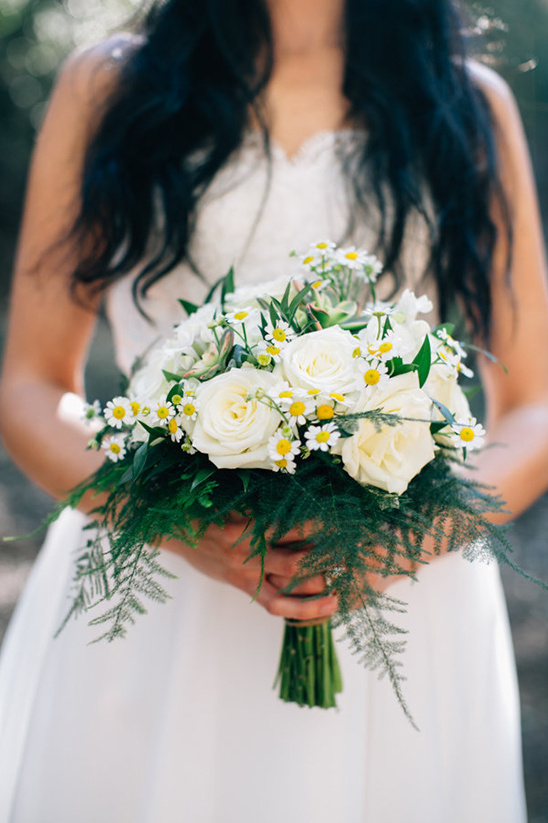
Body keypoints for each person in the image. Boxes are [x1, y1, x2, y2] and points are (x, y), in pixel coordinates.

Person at [1, 0, 547, 820]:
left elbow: (534, 404)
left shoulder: (464, 104)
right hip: (154, 588)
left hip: (397, 595)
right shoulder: (108, 88)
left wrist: (406, 539)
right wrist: (176, 523)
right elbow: (31, 384)